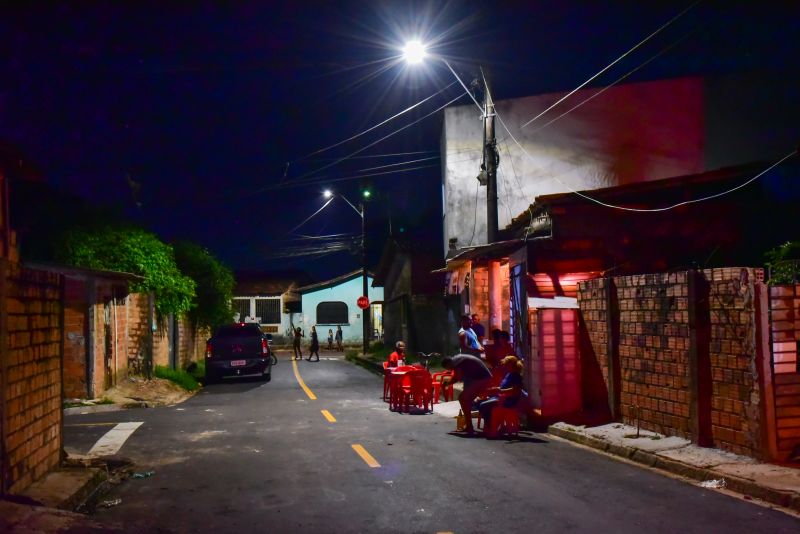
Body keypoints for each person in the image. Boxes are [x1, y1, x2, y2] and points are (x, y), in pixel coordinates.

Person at [442, 353, 492, 434]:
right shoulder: (458, 359)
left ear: (448, 363)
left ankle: (469, 426)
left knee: (463, 398)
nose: (450, 369)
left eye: (449, 368)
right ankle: (469, 425)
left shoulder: (457, 362)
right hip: (481, 378)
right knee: (466, 400)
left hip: (482, 378)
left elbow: (457, 377)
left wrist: (447, 383)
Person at [478, 355, 527, 436]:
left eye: (506, 364)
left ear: (511, 365)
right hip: (500, 397)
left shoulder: (516, 376)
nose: (504, 365)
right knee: (479, 403)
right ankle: (491, 424)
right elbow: (502, 387)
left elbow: (515, 390)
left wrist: (500, 390)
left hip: (508, 400)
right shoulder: (509, 374)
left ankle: (491, 426)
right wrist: (494, 388)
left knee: (483, 405)